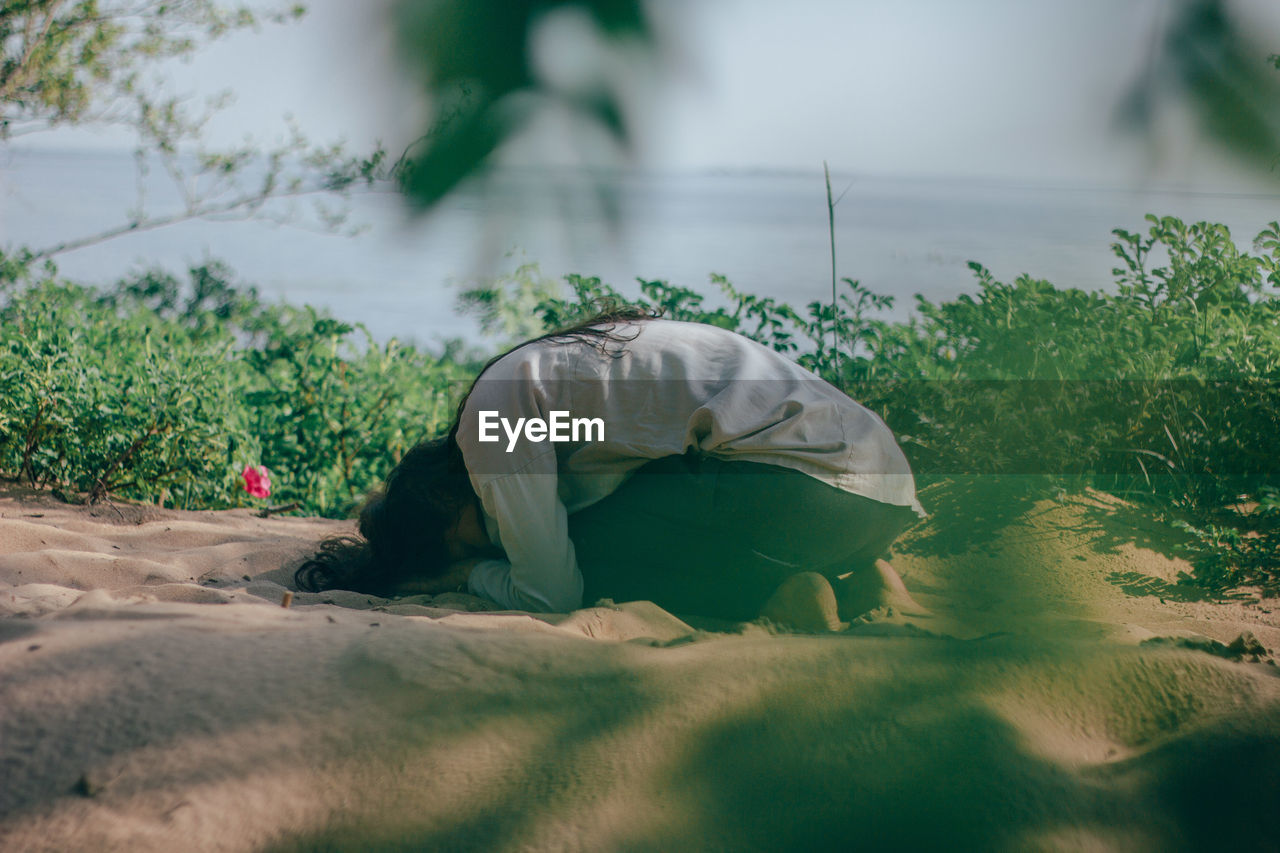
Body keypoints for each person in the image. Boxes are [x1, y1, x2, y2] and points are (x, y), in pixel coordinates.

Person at [296, 307, 926, 629]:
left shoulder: (496, 413)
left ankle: (781, 595)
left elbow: (550, 593)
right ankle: (849, 583)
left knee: (581, 553)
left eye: (463, 537)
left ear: (440, 494)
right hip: (878, 500)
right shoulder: (554, 374)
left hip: (798, 491)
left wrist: (472, 576)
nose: (489, 537)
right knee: (604, 520)